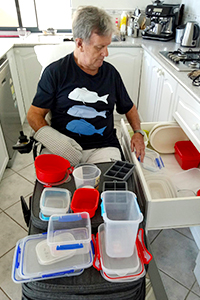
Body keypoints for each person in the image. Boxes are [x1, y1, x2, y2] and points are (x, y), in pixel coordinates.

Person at [27, 5, 145, 166]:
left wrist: (138, 132)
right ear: (80, 43)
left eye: (107, 46)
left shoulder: (111, 74)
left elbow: (129, 107)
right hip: (63, 146)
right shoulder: (55, 72)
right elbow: (34, 115)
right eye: (99, 47)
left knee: (108, 188)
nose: (106, 53)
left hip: (103, 147)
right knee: (60, 188)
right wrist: (57, 143)